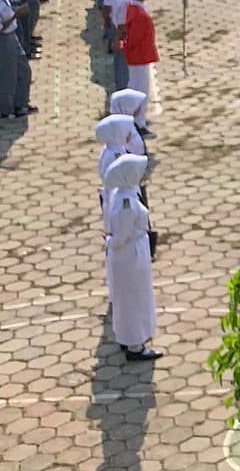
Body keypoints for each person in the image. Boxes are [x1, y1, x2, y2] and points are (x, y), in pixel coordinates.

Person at [101, 152, 162, 361]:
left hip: (130, 254)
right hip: (130, 255)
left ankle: (129, 338)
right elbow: (121, 237)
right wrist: (109, 242)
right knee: (134, 298)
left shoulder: (123, 194)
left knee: (128, 298)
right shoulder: (126, 203)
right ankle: (135, 345)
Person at [121, 0, 158, 108]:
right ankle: (138, 121)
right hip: (139, 57)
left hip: (137, 56)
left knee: (137, 87)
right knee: (140, 91)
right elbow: (134, 40)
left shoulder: (134, 9)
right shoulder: (139, 16)